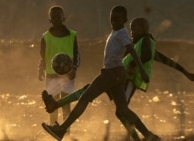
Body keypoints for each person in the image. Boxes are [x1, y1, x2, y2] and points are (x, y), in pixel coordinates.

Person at [42, 5, 161, 141]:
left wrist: (142, 71)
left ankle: (61, 129)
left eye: (117, 19)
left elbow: (133, 52)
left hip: (111, 73)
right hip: (115, 74)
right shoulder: (116, 33)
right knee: (123, 109)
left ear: (125, 20)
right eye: (112, 19)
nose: (114, 22)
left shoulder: (122, 33)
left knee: (85, 98)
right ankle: (149, 136)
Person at [38, 5, 80, 129]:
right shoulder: (45, 37)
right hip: (51, 76)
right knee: (52, 103)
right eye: (53, 17)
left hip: (68, 76)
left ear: (64, 18)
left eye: (59, 17)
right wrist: (40, 69)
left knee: (66, 104)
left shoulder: (72, 35)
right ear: (50, 20)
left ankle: (66, 131)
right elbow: (42, 56)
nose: (56, 19)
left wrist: (74, 68)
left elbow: (77, 54)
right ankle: (53, 127)